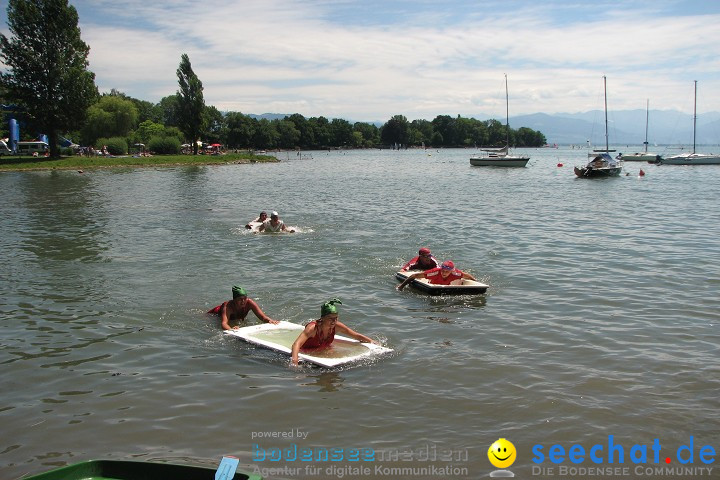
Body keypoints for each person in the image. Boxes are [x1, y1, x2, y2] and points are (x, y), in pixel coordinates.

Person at [290, 299, 374, 366]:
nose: (334, 321)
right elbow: (296, 344)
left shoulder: (337, 326)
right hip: (307, 352)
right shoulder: (313, 328)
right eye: (330, 318)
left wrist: (371, 341)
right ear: (322, 318)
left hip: (324, 350)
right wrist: (295, 361)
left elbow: (355, 335)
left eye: (336, 318)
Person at [207, 285, 279, 330]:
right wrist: (231, 329)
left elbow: (263, 317)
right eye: (240, 299)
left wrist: (270, 321)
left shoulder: (250, 303)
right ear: (234, 300)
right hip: (214, 314)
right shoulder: (228, 307)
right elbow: (224, 323)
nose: (243, 301)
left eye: (245, 298)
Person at [396, 260, 477, 290]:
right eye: (443, 271)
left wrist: (475, 282)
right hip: (432, 285)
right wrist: (401, 286)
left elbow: (468, 276)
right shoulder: (435, 272)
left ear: (451, 271)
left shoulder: (456, 273)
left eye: (447, 271)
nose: (444, 273)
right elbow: (414, 276)